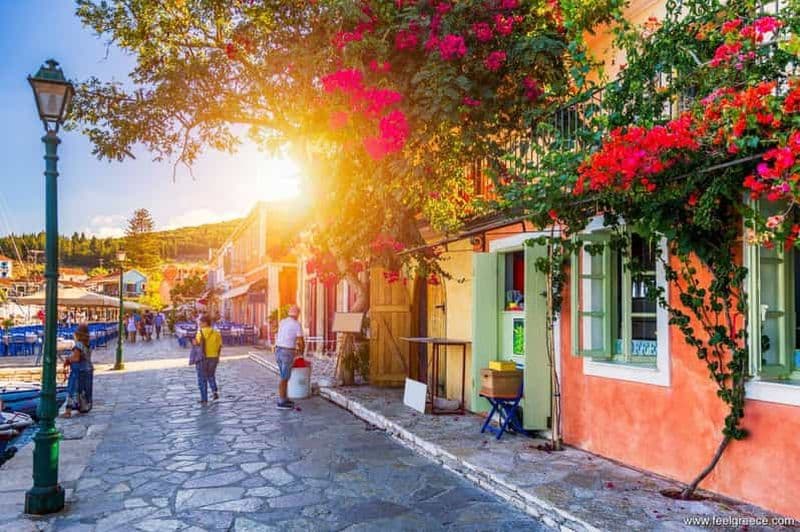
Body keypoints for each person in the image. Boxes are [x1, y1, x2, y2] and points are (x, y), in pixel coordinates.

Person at [274, 305, 305, 410]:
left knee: (284, 374)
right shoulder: (297, 324)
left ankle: (285, 397)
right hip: (287, 351)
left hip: (278, 350)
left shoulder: (282, 321)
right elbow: (300, 340)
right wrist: (302, 351)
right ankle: (281, 401)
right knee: (284, 377)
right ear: (297, 315)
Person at [62, 324, 92, 417]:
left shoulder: (78, 345)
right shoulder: (87, 345)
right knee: (83, 389)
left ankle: (68, 411)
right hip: (87, 370)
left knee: (73, 389)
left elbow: (76, 358)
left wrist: (67, 359)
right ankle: (83, 406)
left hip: (78, 371)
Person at [194, 314, 222, 405]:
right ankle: (214, 392)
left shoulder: (200, 332)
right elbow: (219, 346)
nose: (199, 324)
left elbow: (197, 344)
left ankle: (204, 398)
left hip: (203, 358)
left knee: (202, 378)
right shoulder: (216, 333)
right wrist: (218, 357)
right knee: (211, 375)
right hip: (213, 357)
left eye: (200, 322)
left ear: (205, 323)